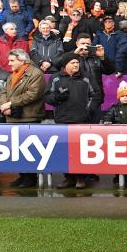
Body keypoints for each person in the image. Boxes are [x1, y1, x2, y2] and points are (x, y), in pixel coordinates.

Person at [0, 49, 47, 188]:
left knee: (28, 150)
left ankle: (30, 178)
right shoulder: (12, 75)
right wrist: (4, 106)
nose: (9, 63)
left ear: (23, 60)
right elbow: (4, 92)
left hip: (29, 117)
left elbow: (33, 94)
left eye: (12, 60)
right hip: (12, 117)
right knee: (17, 150)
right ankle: (22, 176)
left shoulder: (36, 73)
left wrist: (11, 103)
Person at [45, 52, 94, 189]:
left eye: (77, 63)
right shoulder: (55, 78)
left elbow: (95, 95)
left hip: (81, 120)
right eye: (73, 63)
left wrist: (87, 110)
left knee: (80, 150)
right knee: (65, 151)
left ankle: (81, 178)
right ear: (65, 65)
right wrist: (58, 98)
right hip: (62, 119)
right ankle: (69, 178)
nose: (76, 65)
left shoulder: (86, 78)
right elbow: (48, 97)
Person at [102, 83, 127, 185]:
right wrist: (107, 121)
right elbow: (107, 117)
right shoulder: (114, 108)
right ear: (119, 97)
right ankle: (117, 176)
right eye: (122, 96)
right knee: (117, 158)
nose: (125, 98)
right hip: (117, 138)